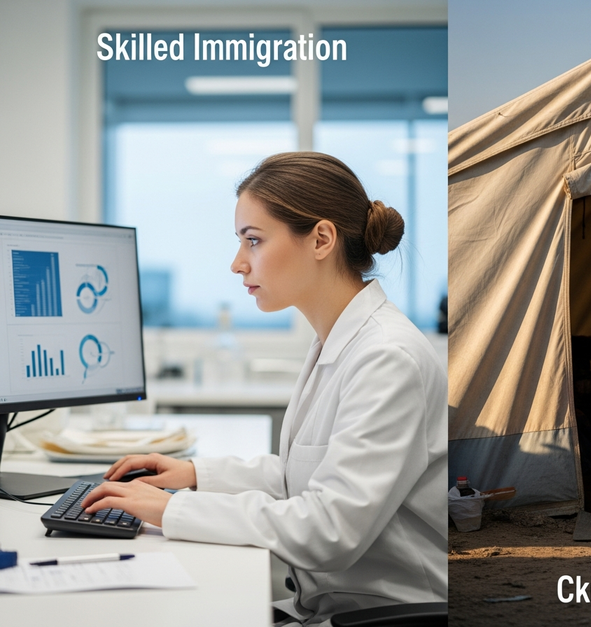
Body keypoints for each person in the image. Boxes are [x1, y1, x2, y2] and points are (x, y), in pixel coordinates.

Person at [81, 152, 448, 624]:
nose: (237, 264)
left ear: (321, 239)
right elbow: (306, 476)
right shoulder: (338, 340)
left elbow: (329, 528)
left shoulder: (386, 357)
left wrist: (172, 509)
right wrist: (193, 474)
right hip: (329, 605)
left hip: (382, 614)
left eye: (253, 241)